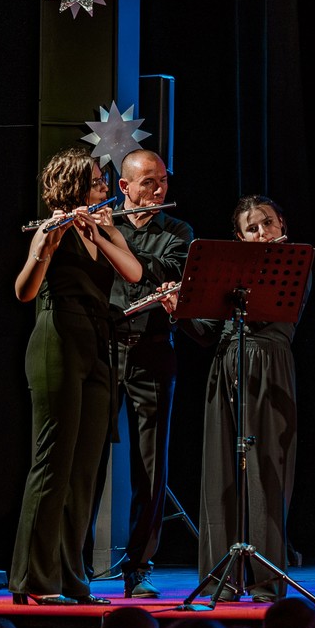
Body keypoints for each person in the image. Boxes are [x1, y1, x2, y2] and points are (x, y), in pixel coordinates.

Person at [11, 147, 142, 605]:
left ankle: (70, 578)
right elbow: (24, 291)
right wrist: (42, 253)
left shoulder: (103, 229)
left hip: (97, 342)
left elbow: (133, 272)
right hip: (58, 338)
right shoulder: (50, 229)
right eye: (98, 182)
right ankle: (34, 580)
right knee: (53, 463)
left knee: (85, 471)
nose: (105, 188)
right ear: (75, 187)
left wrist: (102, 234)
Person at [166, 195, 301, 602]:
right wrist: (179, 310)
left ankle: (266, 580)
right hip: (226, 366)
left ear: (282, 225)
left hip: (268, 366)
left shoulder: (294, 263)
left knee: (266, 475)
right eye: (252, 229)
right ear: (239, 238)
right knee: (220, 472)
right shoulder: (228, 273)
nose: (262, 233)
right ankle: (220, 580)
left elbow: (270, 315)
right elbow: (207, 333)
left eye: (268, 224)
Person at [103, 148, 194, 599]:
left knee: (150, 468)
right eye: (148, 182)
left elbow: (162, 271)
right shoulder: (104, 225)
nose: (159, 189)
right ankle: (70, 564)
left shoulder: (177, 231)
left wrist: (112, 243)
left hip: (153, 352)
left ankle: (138, 568)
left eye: (163, 181)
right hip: (103, 352)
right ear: (125, 187)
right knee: (87, 461)